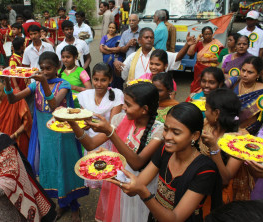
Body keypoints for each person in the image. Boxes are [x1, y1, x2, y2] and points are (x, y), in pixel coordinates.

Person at [4, 52, 89, 222]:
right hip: (44, 133)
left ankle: (74, 207)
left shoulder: (64, 84)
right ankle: (61, 204)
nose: (44, 71)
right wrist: (6, 79)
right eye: (42, 68)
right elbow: (13, 99)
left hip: (61, 133)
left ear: (57, 68)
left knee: (65, 165)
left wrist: (43, 82)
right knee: (50, 166)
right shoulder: (35, 85)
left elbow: (53, 105)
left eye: (48, 68)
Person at [108, 102, 222, 222]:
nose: (167, 136)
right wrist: (106, 165)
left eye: (176, 133)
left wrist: (143, 192)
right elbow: (135, 187)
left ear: (194, 135)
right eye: (166, 129)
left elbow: (175, 218)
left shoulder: (205, 170)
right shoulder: (165, 151)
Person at [68, 80, 164, 222]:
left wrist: (110, 132)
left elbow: (137, 163)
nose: (123, 107)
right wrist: (73, 122)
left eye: (128, 104)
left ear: (144, 109)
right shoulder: (119, 119)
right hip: (120, 183)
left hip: (142, 185)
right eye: (124, 102)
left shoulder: (159, 130)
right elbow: (90, 144)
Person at [200, 89, 252, 214]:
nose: (205, 113)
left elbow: (224, 179)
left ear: (216, 113)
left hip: (221, 198)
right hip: (201, 187)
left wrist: (214, 148)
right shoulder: (206, 125)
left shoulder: (240, 138)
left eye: (207, 109)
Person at [77, 62, 124, 189]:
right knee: (96, 174)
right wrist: (84, 125)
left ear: (110, 80)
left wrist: (90, 125)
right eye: (96, 79)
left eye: (103, 80)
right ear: (91, 78)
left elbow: (113, 124)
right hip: (90, 143)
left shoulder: (117, 95)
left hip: (109, 141)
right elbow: (83, 121)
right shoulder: (84, 96)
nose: (98, 84)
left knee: (110, 179)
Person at [116, 28, 196, 81]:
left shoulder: (160, 54)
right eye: (146, 37)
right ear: (139, 40)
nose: (149, 40)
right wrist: (117, 67)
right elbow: (123, 74)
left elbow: (177, 57)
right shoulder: (132, 56)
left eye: (151, 38)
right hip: (137, 95)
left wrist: (187, 44)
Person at [0, 73, 32, 157]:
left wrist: (13, 136)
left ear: (4, 83)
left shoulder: (16, 96)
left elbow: (27, 121)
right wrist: (0, 137)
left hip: (19, 139)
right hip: (1, 142)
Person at [225, 56, 263, 135]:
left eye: (250, 72)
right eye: (243, 70)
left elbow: (260, 119)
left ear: (258, 75)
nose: (245, 74)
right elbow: (219, 92)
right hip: (225, 125)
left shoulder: (261, 91)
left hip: (247, 131)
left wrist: (247, 131)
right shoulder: (235, 81)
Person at [187, 26, 224, 93]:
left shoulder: (217, 44)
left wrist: (207, 60)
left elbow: (221, 59)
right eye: (206, 34)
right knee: (197, 87)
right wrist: (197, 40)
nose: (208, 36)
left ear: (212, 34)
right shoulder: (199, 43)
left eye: (210, 34)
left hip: (211, 71)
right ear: (202, 35)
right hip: (199, 70)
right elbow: (190, 53)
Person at [100, 22, 124, 89]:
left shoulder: (119, 38)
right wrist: (112, 51)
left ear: (116, 29)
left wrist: (108, 48)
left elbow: (119, 49)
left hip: (117, 60)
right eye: (110, 27)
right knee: (108, 75)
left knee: (117, 77)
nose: (111, 29)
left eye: (113, 28)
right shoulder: (104, 37)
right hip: (107, 61)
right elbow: (101, 49)